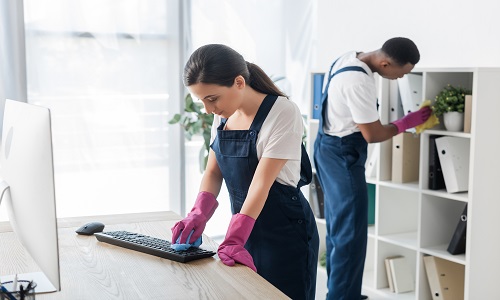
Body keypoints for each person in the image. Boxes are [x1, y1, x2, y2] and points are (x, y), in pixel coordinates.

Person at [171, 44, 319, 300]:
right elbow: (213, 172)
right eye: (202, 101)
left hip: (284, 233)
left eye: (212, 99)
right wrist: (198, 214)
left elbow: (261, 184)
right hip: (245, 229)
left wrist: (235, 236)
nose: (207, 110)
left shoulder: (283, 112)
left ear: (239, 82)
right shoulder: (224, 114)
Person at [313, 37, 431, 300]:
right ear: (386, 63)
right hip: (343, 155)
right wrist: (405, 123)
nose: (400, 79)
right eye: (401, 73)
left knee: (338, 227)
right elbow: (373, 134)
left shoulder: (348, 56)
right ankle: (344, 297)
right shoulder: (360, 82)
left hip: (325, 147)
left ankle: (341, 292)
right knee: (351, 233)